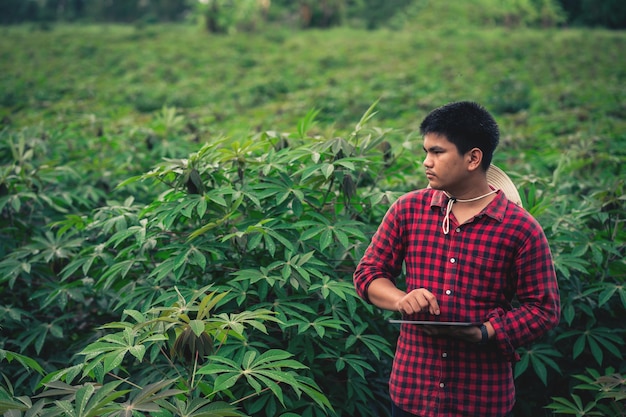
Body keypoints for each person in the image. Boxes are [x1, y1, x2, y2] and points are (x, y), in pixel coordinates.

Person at [353, 101, 560, 417]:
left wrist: (485, 332)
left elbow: (544, 309)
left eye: (437, 152)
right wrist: (400, 299)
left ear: (473, 158)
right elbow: (369, 272)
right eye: (426, 151)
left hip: (480, 398)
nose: (426, 162)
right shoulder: (408, 210)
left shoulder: (520, 228)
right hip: (412, 390)